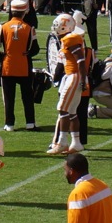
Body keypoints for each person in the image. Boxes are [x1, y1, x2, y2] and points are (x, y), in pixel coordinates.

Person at [0, 0, 39, 131]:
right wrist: (27, 55)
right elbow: (35, 49)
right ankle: (30, 123)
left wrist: (1, 57)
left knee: (8, 98)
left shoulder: (3, 27)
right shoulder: (29, 28)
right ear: (24, 12)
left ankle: (9, 124)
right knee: (27, 96)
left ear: (11, 11)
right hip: (24, 67)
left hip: (7, 66)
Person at [48, 14, 87, 155]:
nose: (56, 27)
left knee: (63, 109)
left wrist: (82, 79)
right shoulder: (68, 38)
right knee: (71, 112)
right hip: (74, 76)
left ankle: (62, 142)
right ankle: (76, 143)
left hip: (74, 77)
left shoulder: (70, 39)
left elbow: (80, 61)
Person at [88, 45, 112, 119]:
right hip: (103, 94)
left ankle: (97, 110)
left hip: (97, 91)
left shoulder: (106, 61)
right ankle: (94, 110)